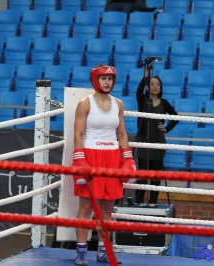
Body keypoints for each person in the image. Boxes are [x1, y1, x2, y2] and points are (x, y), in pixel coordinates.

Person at [72, 64, 135, 265]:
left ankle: (103, 250)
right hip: (90, 156)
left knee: (107, 207)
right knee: (86, 207)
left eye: (110, 79)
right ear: (95, 80)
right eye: (103, 79)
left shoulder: (118, 104)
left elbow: (122, 133)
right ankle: (81, 251)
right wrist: (79, 158)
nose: (107, 82)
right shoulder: (85, 103)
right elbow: (78, 133)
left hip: (112, 157)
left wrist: (128, 158)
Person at [134, 65, 179, 206]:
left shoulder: (164, 103)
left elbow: (175, 117)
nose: (155, 87)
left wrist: (166, 129)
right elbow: (138, 91)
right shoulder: (143, 101)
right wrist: (146, 76)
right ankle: (139, 203)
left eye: (158, 84)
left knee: (155, 175)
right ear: (148, 87)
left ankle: (153, 202)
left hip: (158, 141)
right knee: (142, 175)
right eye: (152, 84)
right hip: (143, 140)